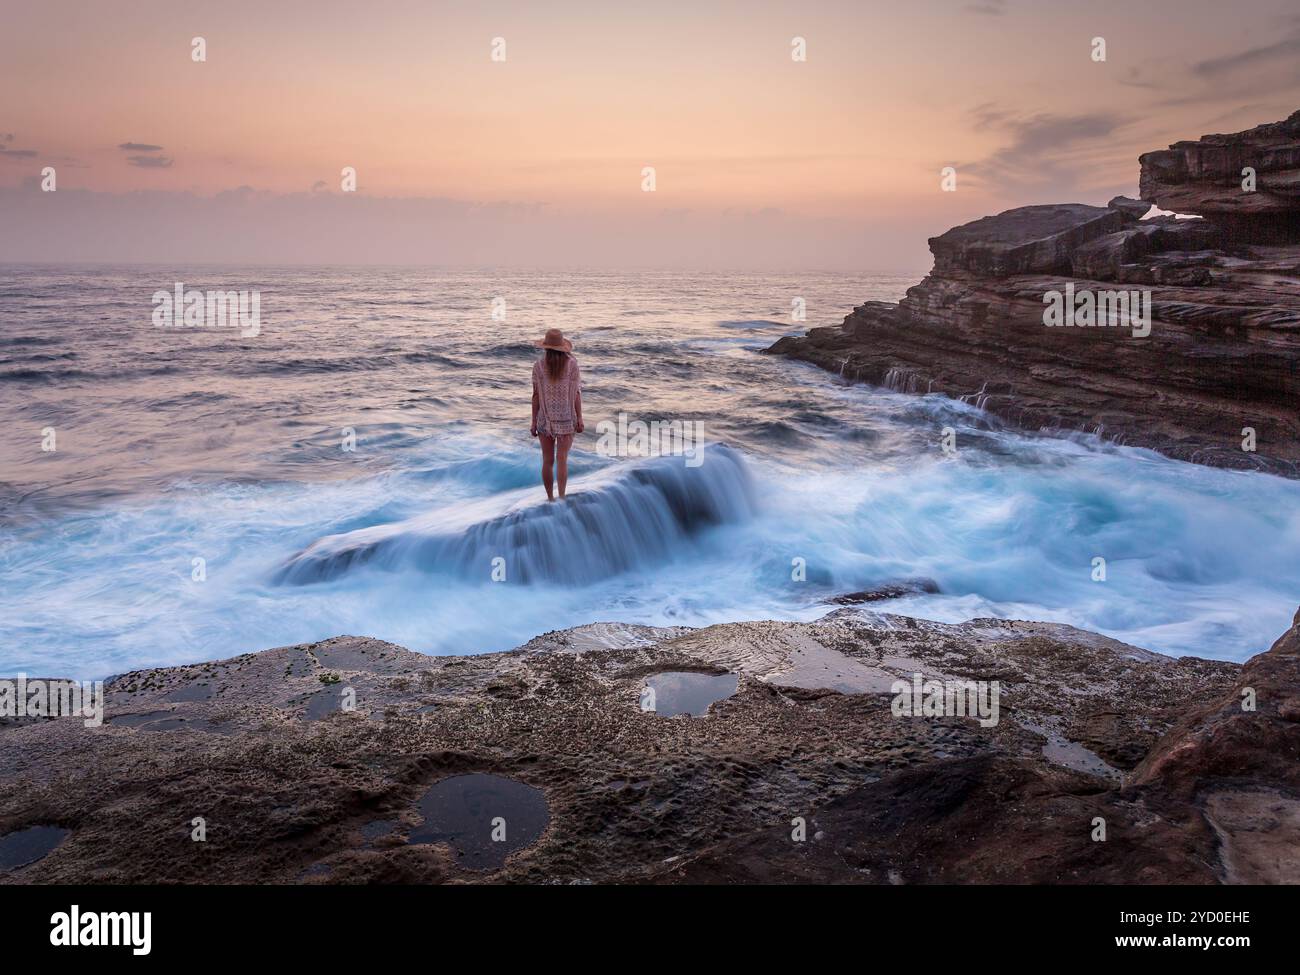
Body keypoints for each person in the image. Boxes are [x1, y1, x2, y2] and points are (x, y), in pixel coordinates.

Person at [530, 328, 583, 500]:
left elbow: (536, 396)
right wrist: (580, 417)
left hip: (545, 420)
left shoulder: (538, 366)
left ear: (546, 347)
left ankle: (550, 498)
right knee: (562, 460)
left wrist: (533, 422)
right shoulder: (572, 365)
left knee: (547, 460)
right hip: (567, 419)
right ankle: (561, 497)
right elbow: (576, 393)